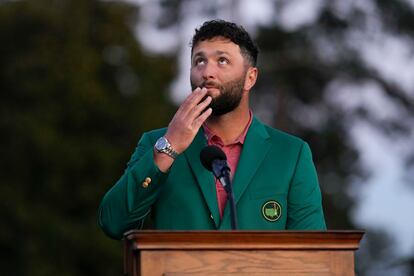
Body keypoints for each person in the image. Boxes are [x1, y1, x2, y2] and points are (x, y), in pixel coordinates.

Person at [98, 20, 326, 239]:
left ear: (250, 77)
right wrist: (169, 148)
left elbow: (314, 253)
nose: (207, 72)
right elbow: (113, 223)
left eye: (222, 61)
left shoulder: (291, 154)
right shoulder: (156, 144)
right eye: (199, 61)